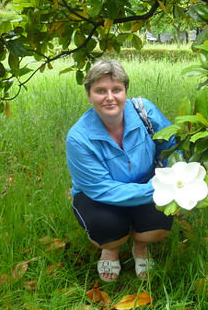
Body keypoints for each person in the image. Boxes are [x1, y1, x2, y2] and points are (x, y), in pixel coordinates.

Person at [65, 59, 177, 282]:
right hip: (101, 198)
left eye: (116, 89)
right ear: (89, 95)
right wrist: (158, 190)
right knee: (106, 228)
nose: (109, 97)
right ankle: (111, 249)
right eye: (100, 90)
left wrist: (178, 181)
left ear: (125, 91)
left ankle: (140, 246)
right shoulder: (78, 138)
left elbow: (170, 145)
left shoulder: (146, 111)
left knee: (160, 224)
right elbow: (102, 190)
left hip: (147, 184)